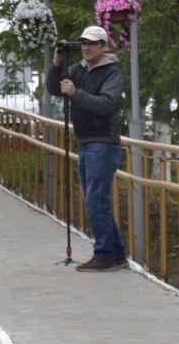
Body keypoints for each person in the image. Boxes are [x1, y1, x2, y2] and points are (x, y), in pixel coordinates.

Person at [50, 24, 126, 272]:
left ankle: (104, 255)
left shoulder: (112, 73)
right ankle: (117, 255)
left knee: (96, 201)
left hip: (103, 142)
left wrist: (76, 93)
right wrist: (57, 63)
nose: (86, 48)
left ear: (104, 46)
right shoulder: (77, 69)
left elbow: (106, 104)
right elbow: (54, 88)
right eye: (83, 43)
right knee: (95, 200)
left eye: (92, 43)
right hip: (85, 142)